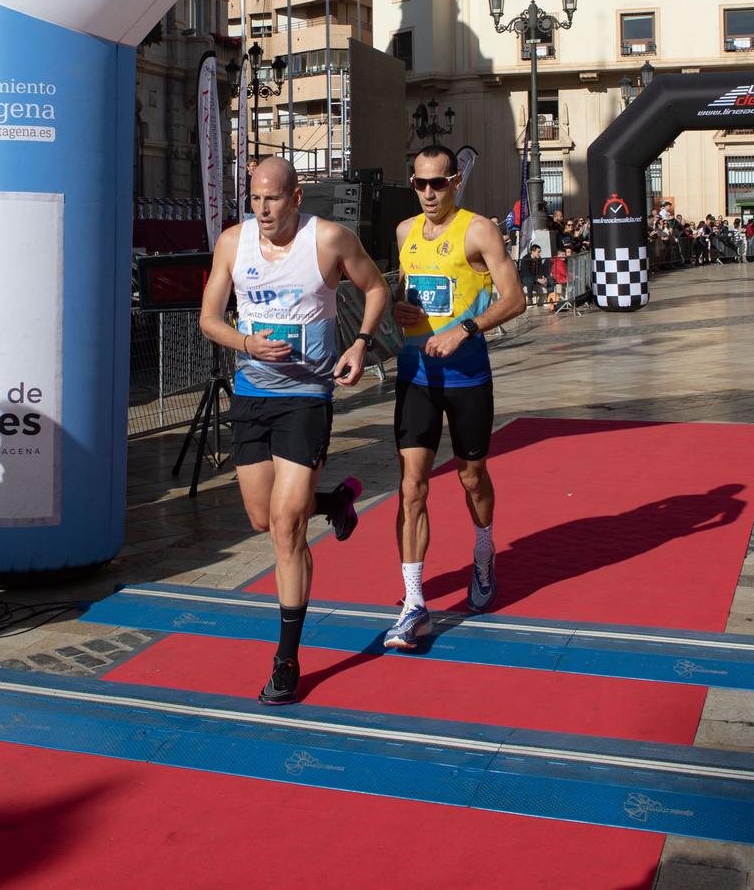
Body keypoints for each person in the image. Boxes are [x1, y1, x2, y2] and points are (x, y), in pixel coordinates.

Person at [197, 157, 388, 706]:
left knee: (286, 528)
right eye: (254, 198)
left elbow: (374, 289)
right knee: (263, 517)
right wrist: (245, 343)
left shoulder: (328, 240)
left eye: (273, 199)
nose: (262, 209)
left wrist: (360, 342)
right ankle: (337, 500)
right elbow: (209, 318)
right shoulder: (234, 244)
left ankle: (286, 660)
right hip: (253, 395)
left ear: (296, 197)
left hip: (307, 397)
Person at [384, 145, 526, 652]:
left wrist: (465, 329)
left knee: (471, 475)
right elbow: (412, 295)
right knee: (412, 486)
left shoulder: (479, 229)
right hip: (416, 374)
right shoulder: (403, 232)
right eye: (419, 183)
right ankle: (413, 604)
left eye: (437, 183)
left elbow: (515, 298)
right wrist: (403, 312)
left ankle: (484, 551)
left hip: (467, 378)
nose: (427, 193)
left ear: (455, 182)